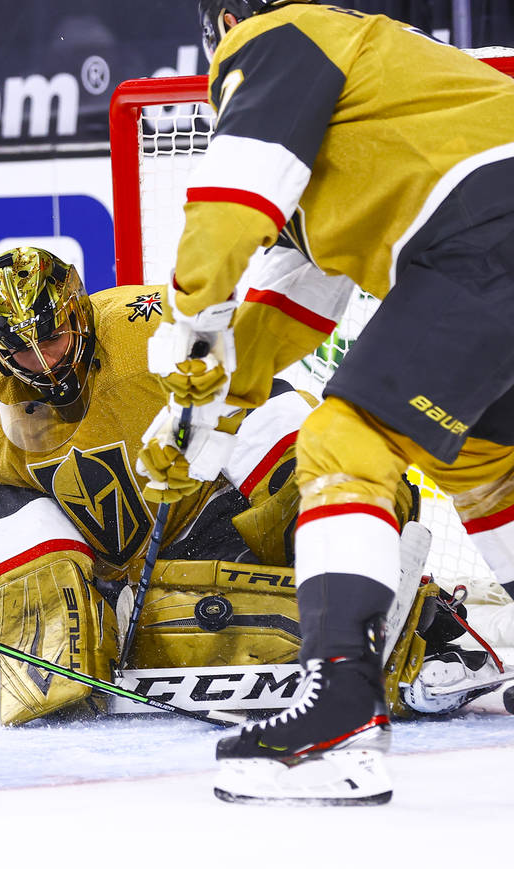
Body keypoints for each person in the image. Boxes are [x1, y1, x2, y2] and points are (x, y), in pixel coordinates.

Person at [138, 0, 514, 803]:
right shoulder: (367, 90)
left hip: (488, 235)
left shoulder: (282, 36)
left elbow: (234, 198)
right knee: (486, 461)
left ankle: (339, 712)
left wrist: (188, 319)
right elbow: (292, 309)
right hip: (491, 236)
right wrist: (203, 416)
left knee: (342, 442)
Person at [0, 246, 465, 727]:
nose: (42, 360)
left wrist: (328, 488)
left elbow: (256, 406)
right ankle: (398, 633)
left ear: (76, 314)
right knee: (52, 646)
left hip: (210, 513)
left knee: (310, 475)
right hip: (123, 585)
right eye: (21, 349)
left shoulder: (152, 328)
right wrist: (56, 650)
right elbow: (29, 557)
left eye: (51, 337)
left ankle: (390, 591)